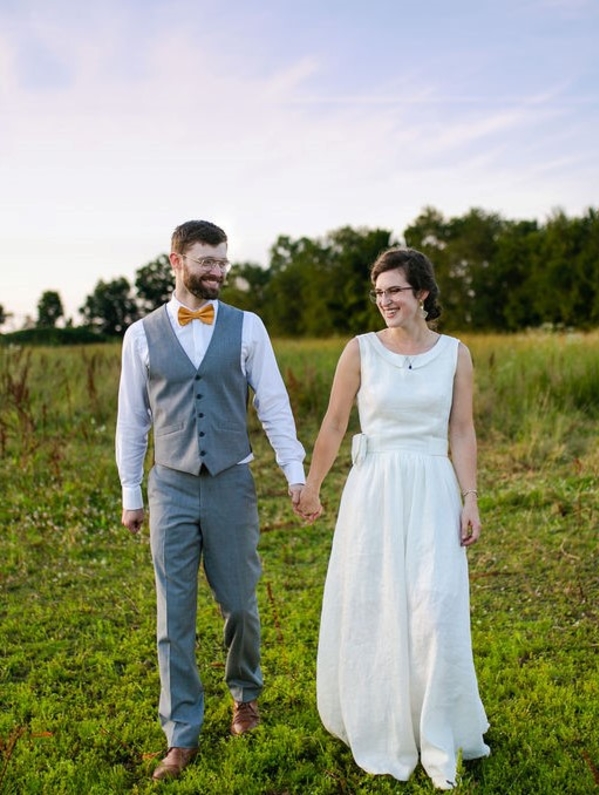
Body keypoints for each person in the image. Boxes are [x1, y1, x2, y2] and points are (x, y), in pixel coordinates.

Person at [116, 219, 306, 781]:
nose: (218, 271)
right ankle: (182, 734)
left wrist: (293, 473)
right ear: (175, 261)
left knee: (241, 604)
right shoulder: (140, 335)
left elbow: (273, 404)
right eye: (206, 261)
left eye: (223, 261)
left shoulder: (248, 328)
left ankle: (244, 696)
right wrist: (132, 493)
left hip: (231, 480)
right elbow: (133, 420)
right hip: (170, 485)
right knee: (173, 615)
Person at [295, 247, 490, 790]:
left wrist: (469, 495)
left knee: (435, 605)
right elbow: (334, 424)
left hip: (432, 486)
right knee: (376, 602)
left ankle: (436, 730)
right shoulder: (359, 351)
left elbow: (462, 430)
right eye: (379, 292)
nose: (385, 301)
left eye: (396, 291)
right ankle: (383, 721)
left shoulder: (456, 354)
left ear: (422, 293)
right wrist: (313, 485)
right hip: (374, 488)